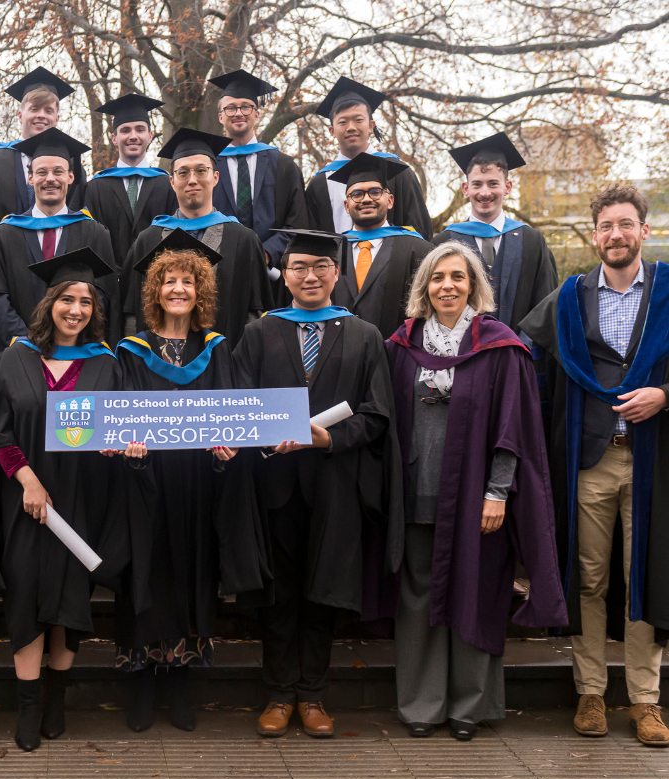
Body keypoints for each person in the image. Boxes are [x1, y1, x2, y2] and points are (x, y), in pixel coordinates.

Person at [381, 242, 565, 739]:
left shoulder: (500, 346)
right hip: (416, 491)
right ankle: (422, 705)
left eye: (458, 277)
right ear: (424, 287)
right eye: (438, 277)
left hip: (475, 496)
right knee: (417, 598)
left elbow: (514, 427)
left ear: (473, 285)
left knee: (477, 589)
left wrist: (498, 492)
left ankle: (469, 706)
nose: (447, 286)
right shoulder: (401, 346)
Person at [232, 229, 403, 738]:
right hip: (275, 483)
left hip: (335, 483)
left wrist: (330, 439)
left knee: (324, 589)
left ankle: (312, 695)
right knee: (279, 593)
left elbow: (377, 412)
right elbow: (239, 403)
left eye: (320, 267)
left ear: (336, 273)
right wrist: (265, 437)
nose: (310, 276)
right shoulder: (260, 333)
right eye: (299, 268)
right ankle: (278, 694)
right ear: (284, 276)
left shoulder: (364, 335)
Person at [521, 185, 669, 746]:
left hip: (653, 460)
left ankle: (645, 699)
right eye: (606, 226)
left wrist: (665, 395)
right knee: (589, 577)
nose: (616, 235)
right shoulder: (569, 297)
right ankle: (590, 691)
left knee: (643, 574)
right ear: (594, 234)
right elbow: (523, 351)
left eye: (626, 224)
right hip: (590, 459)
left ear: (644, 231)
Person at [0, 248, 122, 752]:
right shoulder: (14, 358)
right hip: (25, 503)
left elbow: (115, 430)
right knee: (27, 599)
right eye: (67, 299)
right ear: (49, 303)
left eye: (86, 302)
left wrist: (120, 445)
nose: (76, 310)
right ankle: (29, 707)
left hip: (81, 501)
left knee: (69, 602)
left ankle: (57, 700)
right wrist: (28, 481)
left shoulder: (106, 364)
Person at [114, 230, 269, 733]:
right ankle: (142, 683)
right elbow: (119, 415)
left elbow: (231, 412)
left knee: (192, 575)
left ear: (200, 291)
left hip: (198, 482)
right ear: (154, 291)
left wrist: (228, 450)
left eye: (188, 281)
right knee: (146, 575)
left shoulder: (217, 348)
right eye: (169, 281)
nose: (178, 289)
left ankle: (179, 683)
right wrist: (130, 449)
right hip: (147, 482)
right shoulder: (131, 351)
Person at [120, 127, 270, 349]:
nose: (192, 180)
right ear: (172, 181)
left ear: (215, 177)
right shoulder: (148, 240)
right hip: (157, 363)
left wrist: (239, 365)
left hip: (226, 362)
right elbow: (132, 314)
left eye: (201, 171)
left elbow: (255, 315)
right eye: (183, 173)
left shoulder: (244, 240)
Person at [0, 128, 118, 355]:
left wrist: (71, 338)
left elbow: (103, 294)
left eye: (58, 171)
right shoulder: (5, 234)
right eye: (41, 172)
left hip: (77, 353)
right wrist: (26, 342)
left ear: (70, 176)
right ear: (30, 178)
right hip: (20, 354)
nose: (50, 179)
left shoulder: (94, 233)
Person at [434, 134, 558, 340]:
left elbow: (547, 303)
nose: (485, 192)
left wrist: (521, 348)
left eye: (493, 183)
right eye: (477, 184)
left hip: (521, 351)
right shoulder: (444, 242)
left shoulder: (532, 241)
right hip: (460, 352)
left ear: (507, 188)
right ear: (466, 189)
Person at [208, 69, 309, 298]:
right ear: (220, 116)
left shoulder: (283, 165)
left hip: (274, 281)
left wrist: (266, 253)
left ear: (256, 114)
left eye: (246, 107)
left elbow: (298, 223)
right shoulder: (208, 166)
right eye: (230, 108)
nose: (238, 113)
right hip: (218, 278)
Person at [0, 67, 87, 252]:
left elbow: (78, 219)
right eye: (34, 109)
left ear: (57, 118)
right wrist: (2, 257)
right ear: (20, 116)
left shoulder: (71, 166)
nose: (41, 115)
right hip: (3, 260)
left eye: (48, 110)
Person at [305, 77, 431, 241]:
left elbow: (420, 232)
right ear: (332, 131)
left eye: (358, 120)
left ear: (371, 126)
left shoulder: (398, 172)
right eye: (342, 122)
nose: (351, 127)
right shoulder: (320, 183)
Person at [329, 153, 432, 342]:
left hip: (396, 355)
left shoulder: (417, 250)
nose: (366, 199)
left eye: (375, 192)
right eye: (357, 194)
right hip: (340, 354)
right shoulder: (330, 250)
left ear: (390, 200)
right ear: (346, 205)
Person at [82, 94, 175, 268]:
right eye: (125, 130)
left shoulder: (167, 185)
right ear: (114, 138)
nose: (133, 136)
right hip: (110, 280)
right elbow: (90, 240)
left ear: (150, 135)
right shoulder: (96, 187)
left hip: (158, 279)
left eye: (140, 129)